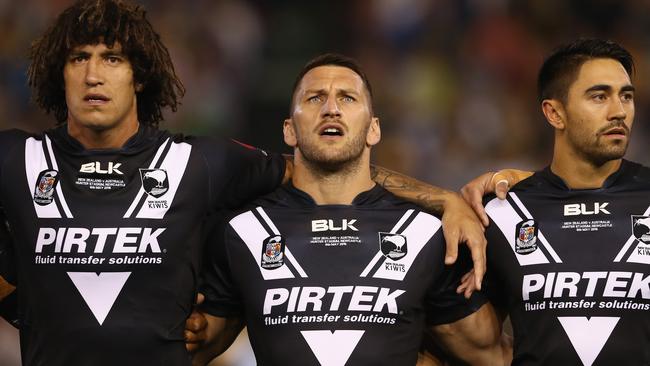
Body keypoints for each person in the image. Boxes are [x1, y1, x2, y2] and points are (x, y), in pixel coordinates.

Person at [0, 0, 487, 364]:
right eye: (78, 58)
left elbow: (320, 163)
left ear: (140, 76)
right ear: (55, 73)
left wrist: (443, 199)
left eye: (111, 59)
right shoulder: (14, 158)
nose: (92, 75)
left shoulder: (199, 162)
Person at [190, 53, 507, 366]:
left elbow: (495, 355)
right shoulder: (242, 233)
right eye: (315, 98)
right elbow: (192, 345)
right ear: (289, 130)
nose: (331, 109)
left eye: (347, 98)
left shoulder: (428, 235)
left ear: (374, 129)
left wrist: (528, 183)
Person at [458, 38, 650, 365]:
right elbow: (464, 336)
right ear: (554, 113)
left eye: (626, 96)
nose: (619, 111)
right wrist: (448, 203)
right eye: (599, 96)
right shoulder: (501, 212)